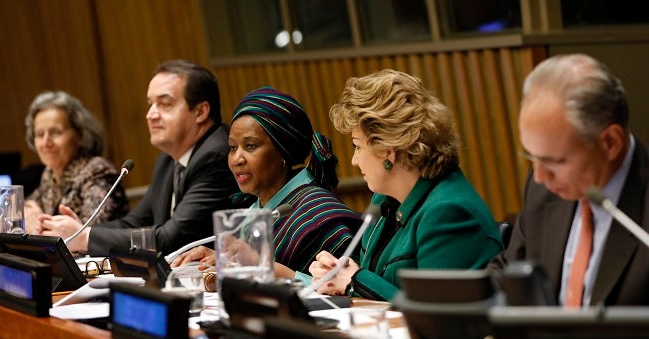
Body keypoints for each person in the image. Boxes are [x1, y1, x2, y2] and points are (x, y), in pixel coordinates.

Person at [309, 69, 503, 302]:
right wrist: (337, 274)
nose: (354, 160)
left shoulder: (449, 212)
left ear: (387, 150)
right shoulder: (384, 201)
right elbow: (369, 277)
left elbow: (435, 312)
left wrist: (354, 280)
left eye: (357, 146)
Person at [489, 53, 649, 307]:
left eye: (554, 161)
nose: (540, 176)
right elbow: (510, 269)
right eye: (532, 157)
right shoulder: (544, 188)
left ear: (610, 143)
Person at [37, 60, 237, 255]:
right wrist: (80, 231)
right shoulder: (168, 159)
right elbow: (135, 222)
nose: (151, 115)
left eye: (165, 104)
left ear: (201, 112)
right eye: (151, 104)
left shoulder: (215, 157)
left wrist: (85, 238)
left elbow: (172, 238)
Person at [171, 86, 362, 279]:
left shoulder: (319, 215)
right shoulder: (256, 211)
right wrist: (220, 261)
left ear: (283, 152)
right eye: (232, 147)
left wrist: (278, 273)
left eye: (250, 146)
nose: (236, 159)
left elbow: (349, 292)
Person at [23, 91, 129, 232]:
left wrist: (36, 225)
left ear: (80, 135)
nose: (46, 142)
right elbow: (25, 210)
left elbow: (86, 232)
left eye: (55, 132)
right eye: (40, 134)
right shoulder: (50, 174)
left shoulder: (98, 171)